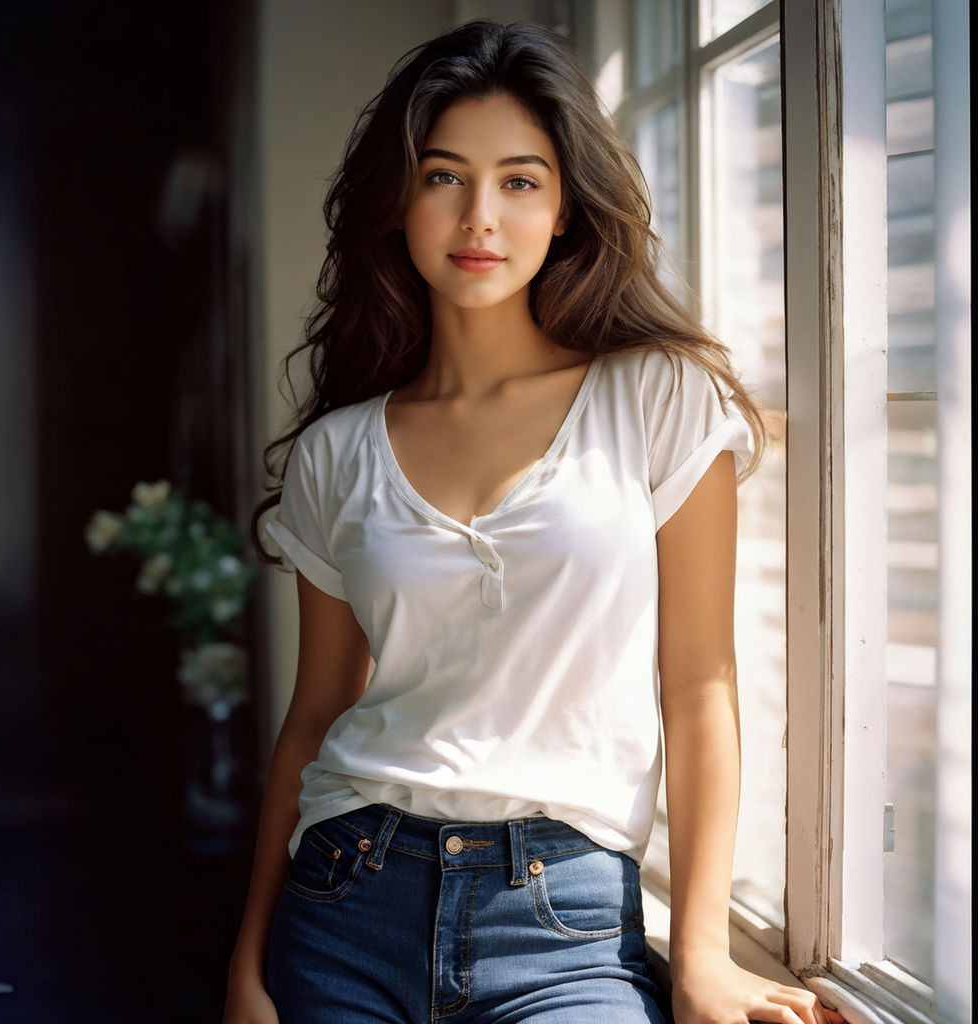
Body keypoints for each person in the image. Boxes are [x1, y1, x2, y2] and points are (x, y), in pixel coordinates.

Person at [224, 20, 844, 1024]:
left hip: (566, 927)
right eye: (443, 177)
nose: (479, 217)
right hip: (345, 901)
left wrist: (698, 959)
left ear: (565, 209)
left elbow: (699, 685)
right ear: (400, 202)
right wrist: (245, 963)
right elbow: (315, 714)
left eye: (519, 181)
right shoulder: (336, 452)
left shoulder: (658, 398)